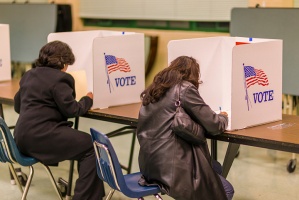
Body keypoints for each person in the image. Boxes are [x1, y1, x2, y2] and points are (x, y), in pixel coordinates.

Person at [13, 40, 105, 200]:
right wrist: (88, 99)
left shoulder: (29, 75)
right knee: (91, 145)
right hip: (41, 137)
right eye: (67, 64)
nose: (67, 68)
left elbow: (17, 106)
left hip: (21, 139)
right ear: (62, 61)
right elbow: (73, 109)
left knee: (82, 143)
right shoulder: (61, 78)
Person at [137, 56, 234, 200]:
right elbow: (214, 125)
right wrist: (224, 117)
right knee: (226, 190)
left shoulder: (155, 89)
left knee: (215, 167)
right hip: (173, 170)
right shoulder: (185, 88)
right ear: (193, 74)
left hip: (150, 166)